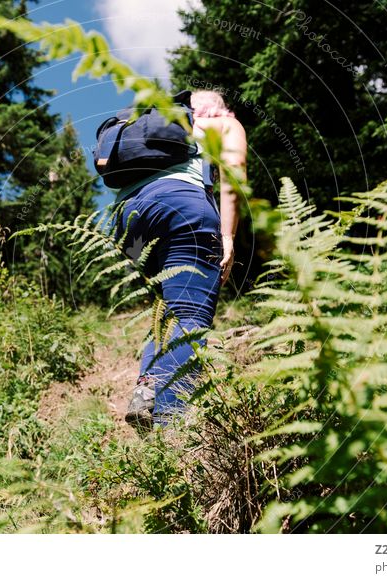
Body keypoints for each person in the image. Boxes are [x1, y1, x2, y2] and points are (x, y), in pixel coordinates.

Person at [113, 90, 247, 429]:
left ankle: (148, 391)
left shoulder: (153, 128)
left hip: (128, 218)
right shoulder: (224, 125)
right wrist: (228, 235)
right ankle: (171, 426)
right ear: (220, 108)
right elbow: (235, 175)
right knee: (190, 314)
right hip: (181, 207)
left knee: (169, 311)